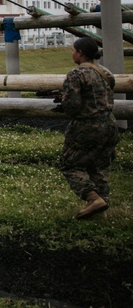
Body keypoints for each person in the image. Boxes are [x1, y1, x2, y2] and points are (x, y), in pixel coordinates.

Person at [53, 37, 119, 220]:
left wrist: (63, 100)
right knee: (101, 166)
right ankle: (100, 205)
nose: (72, 53)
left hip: (87, 127)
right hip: (109, 124)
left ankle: (92, 198)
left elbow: (73, 106)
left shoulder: (76, 74)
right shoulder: (105, 72)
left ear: (80, 53)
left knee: (70, 165)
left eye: (73, 50)